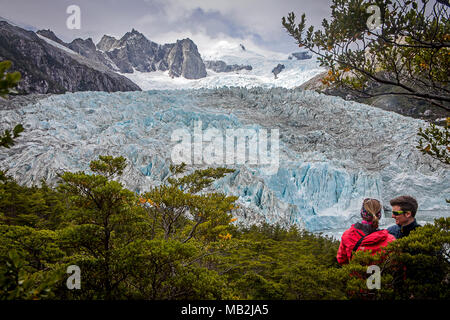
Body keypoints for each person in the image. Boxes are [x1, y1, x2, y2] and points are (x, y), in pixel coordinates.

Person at [337, 198, 396, 265]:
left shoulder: (348, 235)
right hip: (381, 275)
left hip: (356, 274)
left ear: (362, 213)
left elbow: (341, 260)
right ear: (379, 215)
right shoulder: (390, 240)